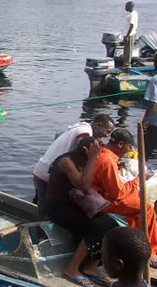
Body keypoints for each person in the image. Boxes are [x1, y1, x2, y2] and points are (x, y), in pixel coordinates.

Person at [45, 136, 119, 286]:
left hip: (74, 206)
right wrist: (92, 159)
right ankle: (71, 269)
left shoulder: (83, 162)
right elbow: (83, 184)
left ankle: (90, 267)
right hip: (57, 207)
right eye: (95, 153)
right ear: (86, 151)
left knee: (110, 223)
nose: (98, 156)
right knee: (98, 225)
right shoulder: (66, 161)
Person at [92, 128, 157, 265]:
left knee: (137, 199)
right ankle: (150, 251)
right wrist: (138, 179)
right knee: (147, 207)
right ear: (120, 144)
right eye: (128, 146)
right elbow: (116, 193)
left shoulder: (105, 155)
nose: (129, 150)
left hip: (99, 197)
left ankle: (137, 243)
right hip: (103, 201)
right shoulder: (107, 160)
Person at [32, 114, 115, 219]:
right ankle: (40, 231)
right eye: (107, 131)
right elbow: (84, 147)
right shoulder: (84, 131)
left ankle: (37, 223)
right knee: (45, 207)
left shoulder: (81, 128)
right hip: (46, 174)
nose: (107, 136)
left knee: (41, 203)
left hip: (43, 168)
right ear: (98, 125)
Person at [142, 54, 157, 157]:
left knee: (145, 151)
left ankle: (142, 171)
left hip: (154, 124)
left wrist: (145, 120)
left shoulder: (155, 80)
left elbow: (153, 102)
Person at [122, 1, 138, 68]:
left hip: (130, 35)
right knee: (126, 49)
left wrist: (128, 36)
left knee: (129, 49)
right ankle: (125, 62)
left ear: (130, 7)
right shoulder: (133, 13)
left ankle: (127, 64)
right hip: (127, 34)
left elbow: (131, 26)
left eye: (126, 7)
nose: (125, 8)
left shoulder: (132, 14)